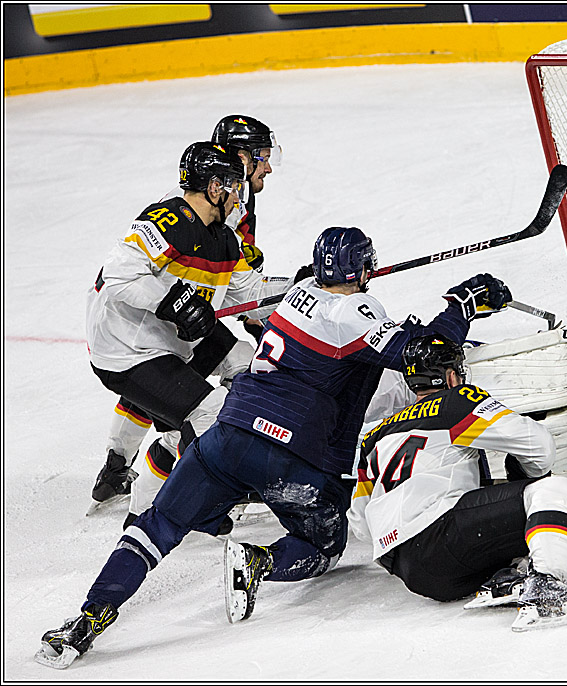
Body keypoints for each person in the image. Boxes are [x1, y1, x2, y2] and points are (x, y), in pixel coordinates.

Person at [35, 226, 513, 669]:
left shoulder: (294, 299)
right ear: (363, 271)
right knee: (323, 545)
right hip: (293, 455)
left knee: (155, 528)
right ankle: (259, 561)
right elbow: (425, 353)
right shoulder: (357, 312)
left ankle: (84, 621)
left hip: (229, 435)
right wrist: (461, 305)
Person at [85, 141, 308, 530]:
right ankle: (163, 511)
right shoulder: (167, 220)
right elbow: (118, 274)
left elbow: (251, 297)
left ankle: (171, 465)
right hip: (127, 349)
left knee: (243, 362)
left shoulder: (222, 238)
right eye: (234, 187)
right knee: (208, 412)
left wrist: (305, 286)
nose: (240, 196)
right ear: (216, 188)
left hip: (171, 336)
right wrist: (172, 301)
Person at [348, 335, 567, 632]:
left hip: (412, 571)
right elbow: (539, 446)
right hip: (441, 535)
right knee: (554, 493)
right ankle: (546, 590)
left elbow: (361, 525)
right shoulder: (456, 401)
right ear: (452, 374)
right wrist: (529, 478)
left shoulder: (374, 436)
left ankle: (508, 580)